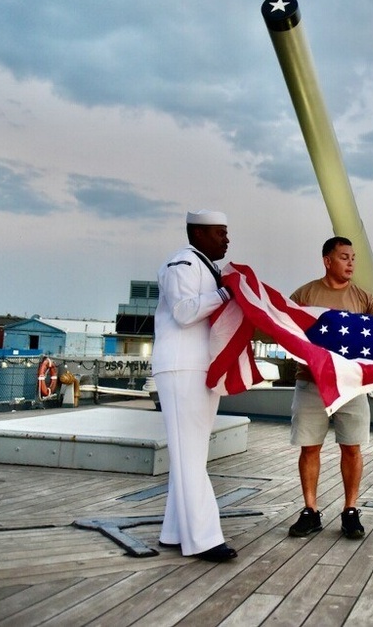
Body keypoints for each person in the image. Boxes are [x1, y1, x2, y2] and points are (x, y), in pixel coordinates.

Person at [151, 210, 237, 563]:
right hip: (181, 367)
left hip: (199, 368)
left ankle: (174, 531)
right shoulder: (182, 263)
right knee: (189, 455)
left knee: (192, 455)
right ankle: (203, 539)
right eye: (221, 233)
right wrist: (223, 293)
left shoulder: (205, 265)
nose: (227, 240)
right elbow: (185, 312)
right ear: (199, 234)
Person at [287, 236, 373, 539]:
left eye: (353, 257)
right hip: (310, 381)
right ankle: (310, 510)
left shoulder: (364, 298)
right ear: (327, 261)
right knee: (310, 446)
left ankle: (350, 510)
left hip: (351, 383)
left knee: (352, 446)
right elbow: (286, 328)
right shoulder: (304, 294)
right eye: (344, 257)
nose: (351, 263)